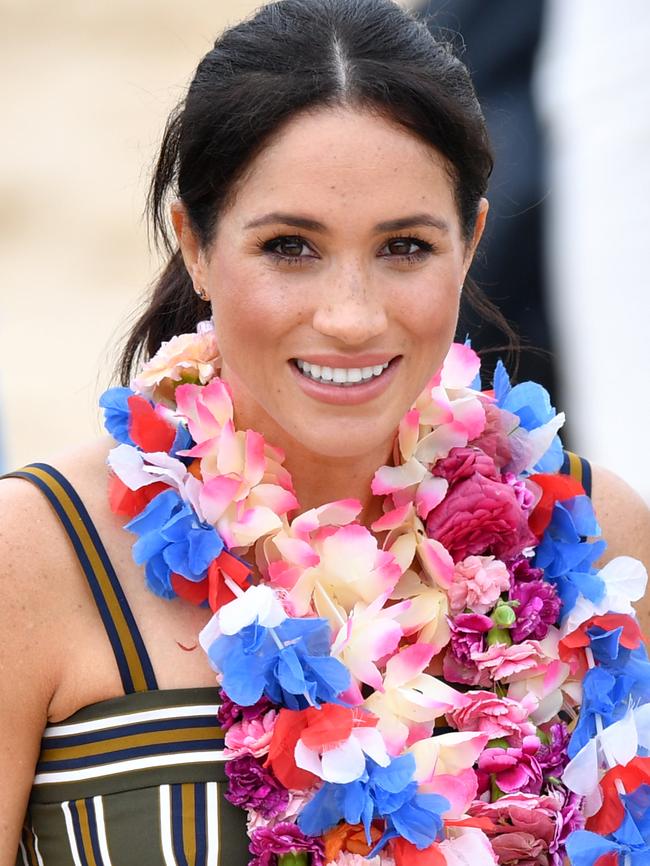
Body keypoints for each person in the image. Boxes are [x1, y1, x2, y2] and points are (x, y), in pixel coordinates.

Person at [1, 1, 648, 864]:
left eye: (406, 247)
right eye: (290, 247)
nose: (350, 317)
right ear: (194, 243)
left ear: (471, 242)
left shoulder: (590, 536)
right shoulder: (36, 559)